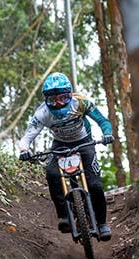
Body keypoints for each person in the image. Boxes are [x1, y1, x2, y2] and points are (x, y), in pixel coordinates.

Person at [18, 72, 114, 241]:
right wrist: (24, 150)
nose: (58, 103)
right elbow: (28, 136)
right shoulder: (42, 113)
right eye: (53, 100)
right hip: (60, 145)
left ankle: (102, 223)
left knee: (95, 185)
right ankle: (63, 215)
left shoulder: (81, 102)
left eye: (62, 98)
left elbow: (103, 121)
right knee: (52, 174)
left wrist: (107, 134)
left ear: (70, 94)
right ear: (46, 99)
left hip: (84, 142)